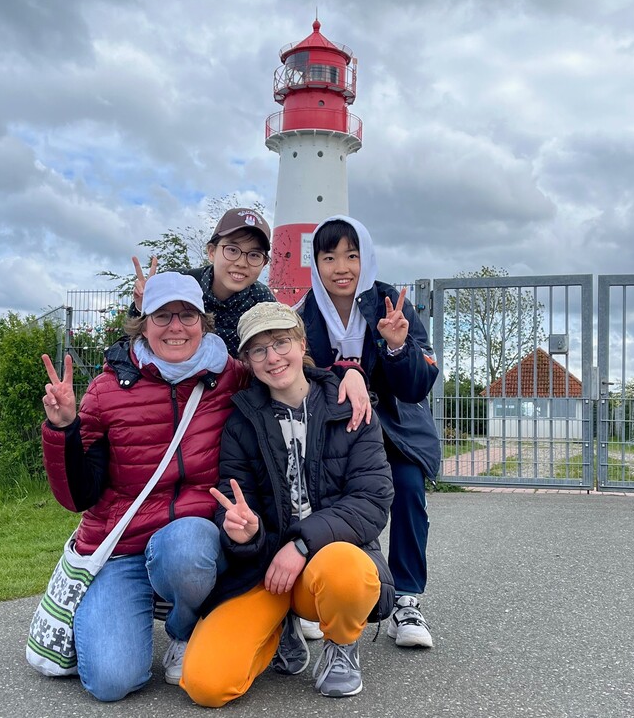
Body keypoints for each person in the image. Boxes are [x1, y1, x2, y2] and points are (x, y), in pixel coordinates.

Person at [39, 274, 373, 701]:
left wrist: (349, 373)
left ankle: (183, 629)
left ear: (203, 321)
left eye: (187, 315)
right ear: (143, 323)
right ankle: (163, 611)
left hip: (193, 540)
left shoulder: (230, 375)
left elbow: (287, 371)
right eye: (162, 316)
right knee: (111, 682)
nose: (176, 327)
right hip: (125, 546)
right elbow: (77, 496)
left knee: (188, 546)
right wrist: (63, 429)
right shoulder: (107, 389)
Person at [181, 302, 394, 705]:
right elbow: (235, 501)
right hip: (265, 572)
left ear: (301, 344)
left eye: (281, 342)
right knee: (207, 684)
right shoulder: (240, 421)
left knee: (347, 571)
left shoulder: (352, 407)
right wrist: (245, 533)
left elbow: (372, 500)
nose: (273, 357)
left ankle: (341, 644)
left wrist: (301, 544)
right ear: (247, 360)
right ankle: (279, 628)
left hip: (328, 561)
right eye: (258, 350)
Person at [295, 215, 441, 649]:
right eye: (329, 257)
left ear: (367, 258)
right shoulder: (304, 313)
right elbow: (298, 373)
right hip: (329, 431)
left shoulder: (391, 304)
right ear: (315, 264)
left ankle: (406, 599)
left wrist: (396, 347)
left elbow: (416, 386)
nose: (341, 267)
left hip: (394, 429)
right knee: (318, 496)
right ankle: (317, 593)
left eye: (352, 255)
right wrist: (347, 373)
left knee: (408, 486)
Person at [131, 208, 276, 356]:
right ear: (211, 252)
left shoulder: (263, 300)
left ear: (264, 263)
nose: (242, 263)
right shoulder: (179, 282)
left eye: (254, 255)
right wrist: (142, 308)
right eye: (232, 250)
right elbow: (132, 341)